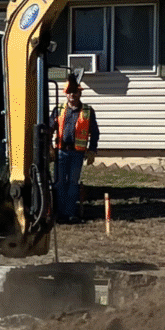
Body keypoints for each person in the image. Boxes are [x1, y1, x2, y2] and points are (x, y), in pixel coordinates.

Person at [53, 74, 99, 223]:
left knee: (73, 184)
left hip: (77, 154)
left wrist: (92, 150)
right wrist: (48, 147)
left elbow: (95, 132)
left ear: (80, 93)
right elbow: (49, 128)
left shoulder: (88, 111)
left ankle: (70, 213)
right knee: (59, 183)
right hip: (61, 152)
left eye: (75, 92)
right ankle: (60, 214)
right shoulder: (59, 109)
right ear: (66, 94)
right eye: (69, 92)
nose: (72, 95)